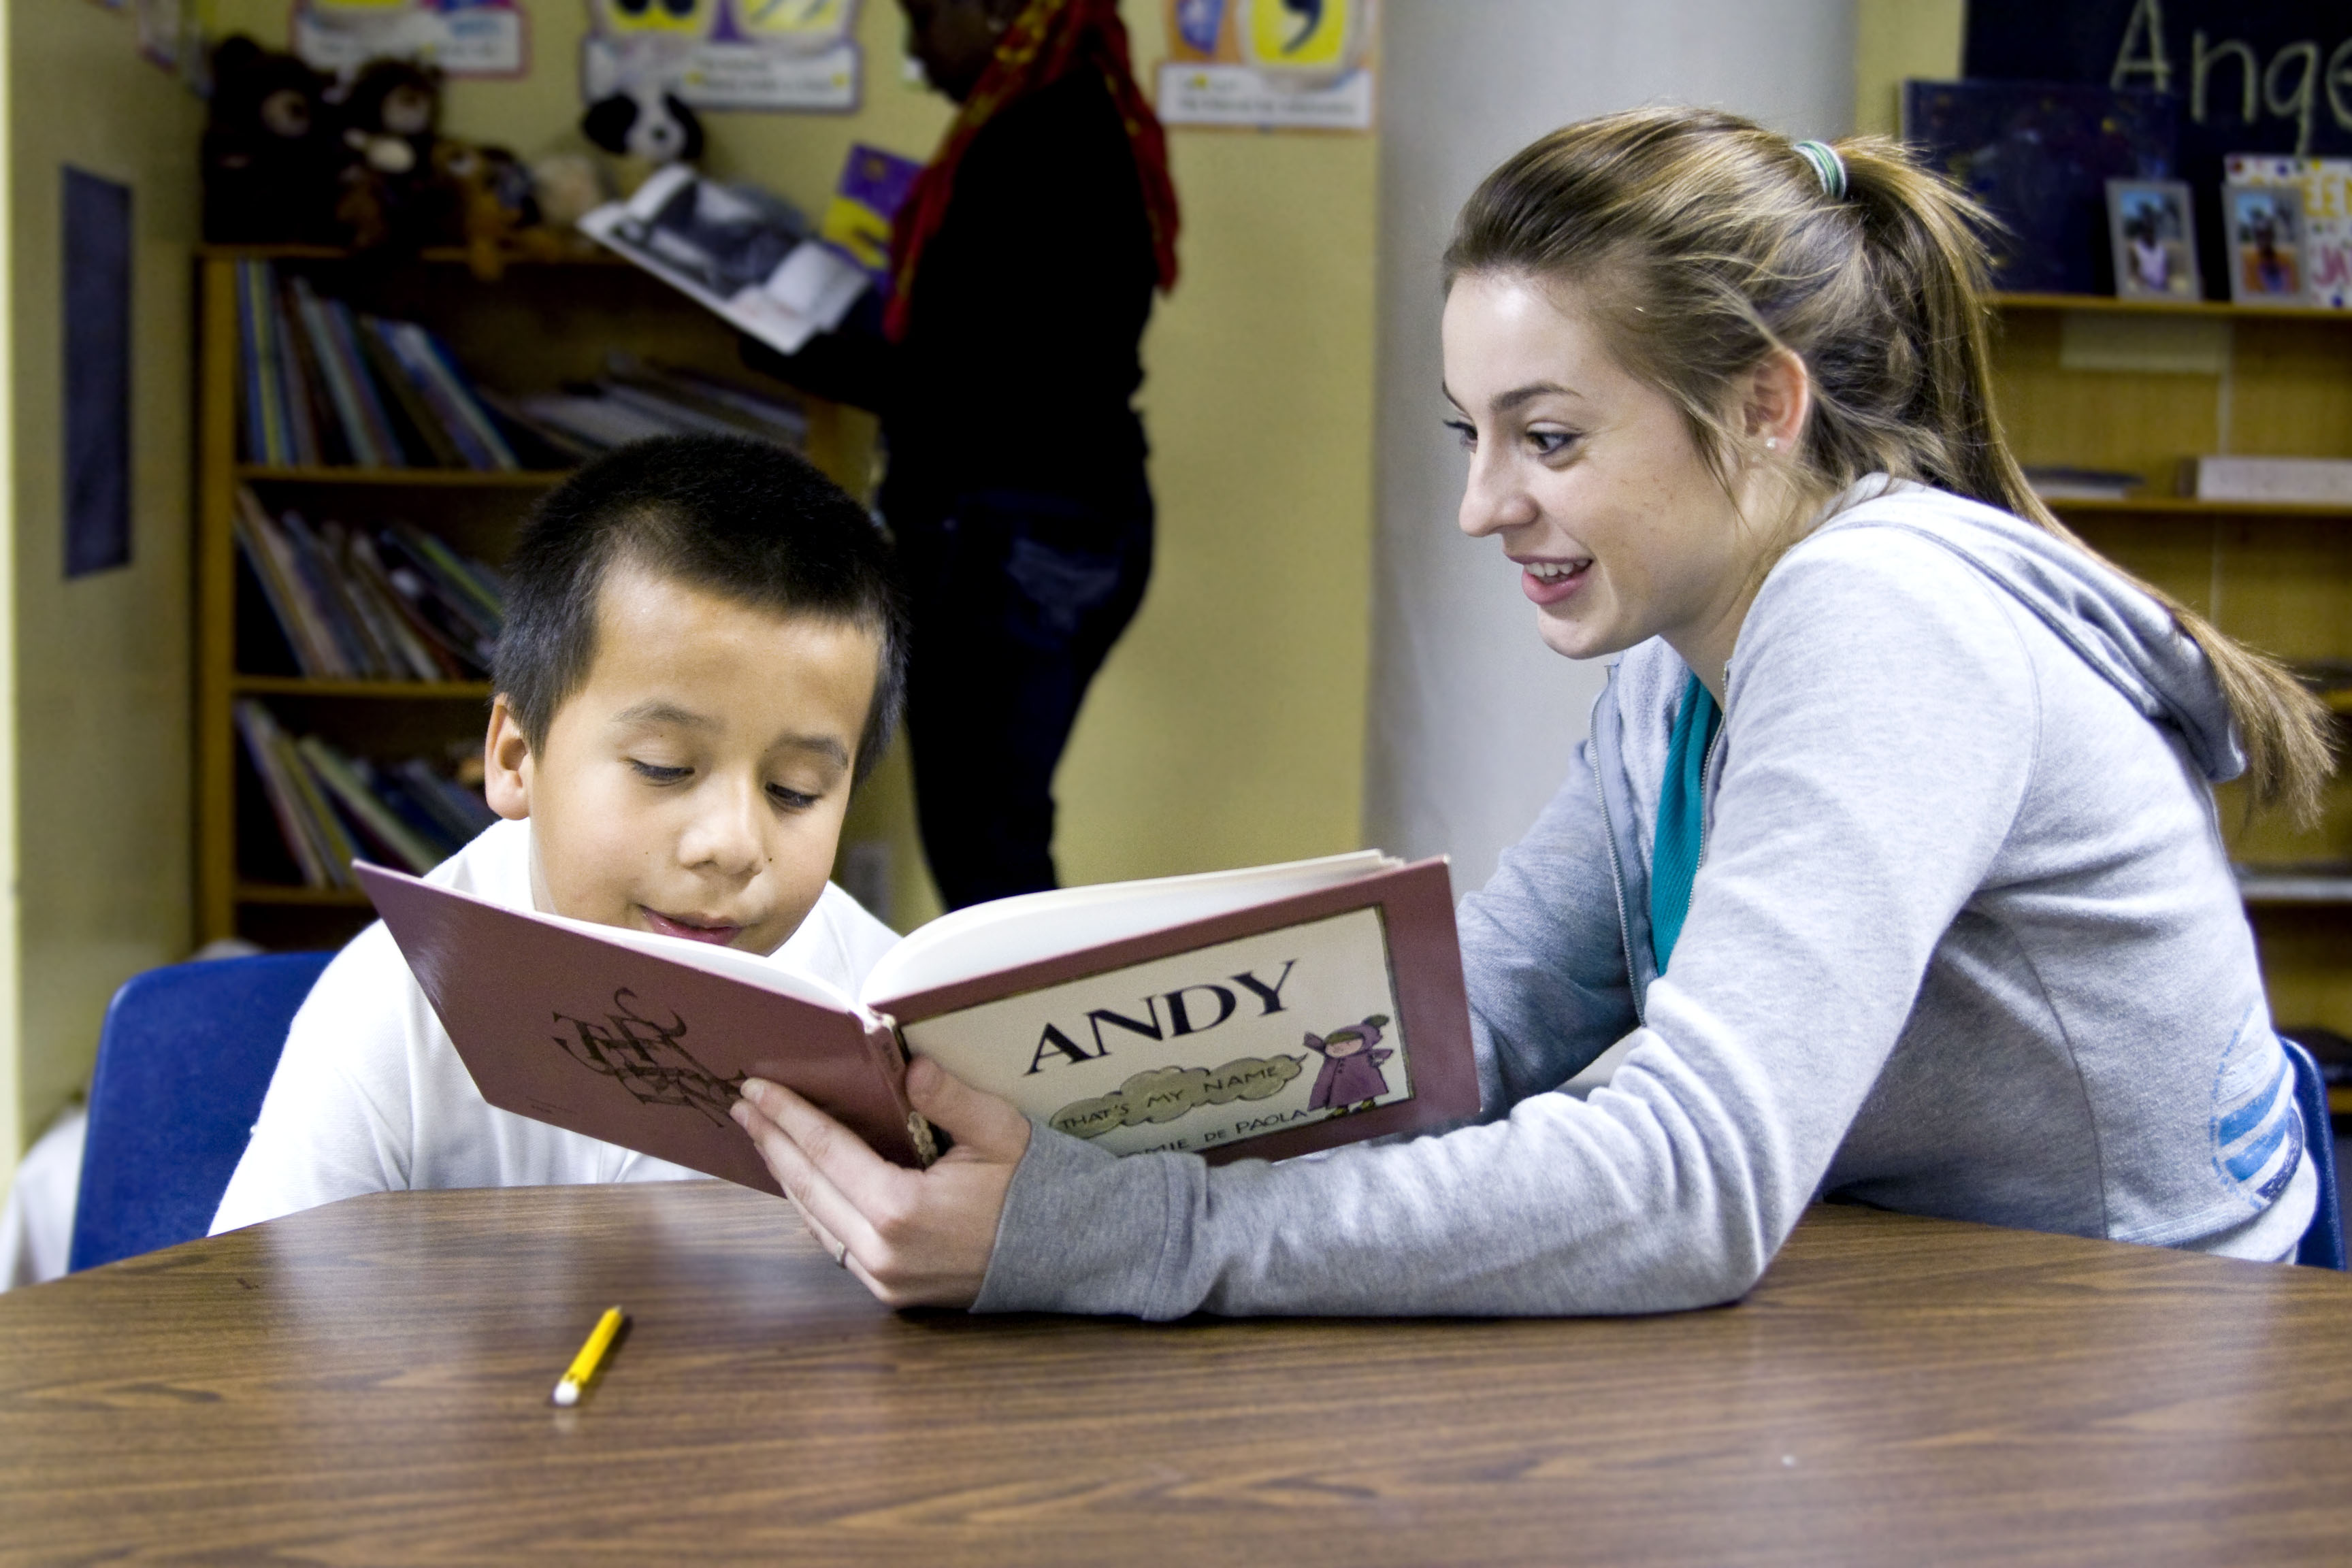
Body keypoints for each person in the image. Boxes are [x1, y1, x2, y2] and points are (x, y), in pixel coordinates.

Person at [725, 109, 2336, 1316]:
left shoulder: (1882, 618)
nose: (1481, 507)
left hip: (2146, 1355)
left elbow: (1690, 1181)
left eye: (1547, 438)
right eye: (1468, 437)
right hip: (1935, 1309)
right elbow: (1470, 1035)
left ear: (1765, 407)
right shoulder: (1678, 658)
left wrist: (1123, 1235)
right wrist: (1045, 1122)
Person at [211, 436, 907, 1232]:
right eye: (663, 767)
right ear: (516, 758)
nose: (733, 844)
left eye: (795, 791)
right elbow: (261, 1319)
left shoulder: (888, 1027)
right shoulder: (397, 1005)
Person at [744, 0, 1179, 910]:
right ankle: (1021, 1040)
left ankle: (1025, 1048)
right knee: (995, 828)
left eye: (922, 22)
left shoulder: (1036, 139)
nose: (914, 53)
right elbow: (995, 347)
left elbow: (973, 377)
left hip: (1012, 534)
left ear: (989, 12)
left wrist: (782, 338)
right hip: (1059, 520)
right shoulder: (1074, 117)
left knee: (986, 837)